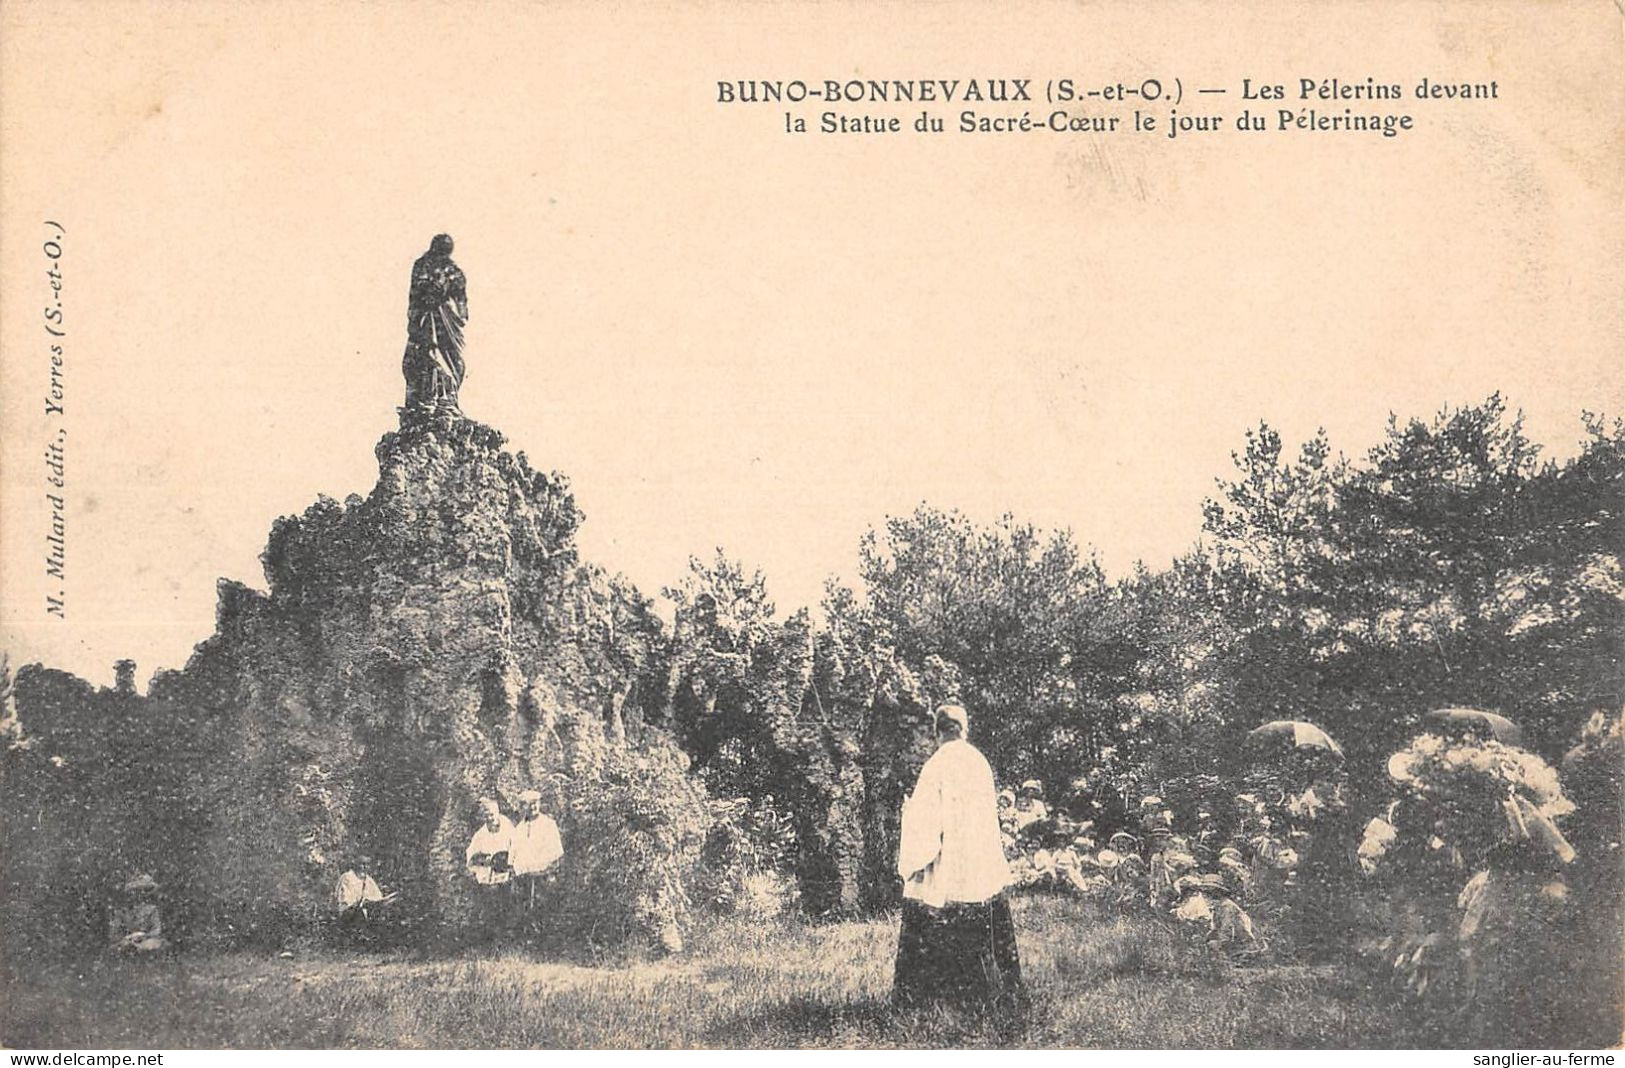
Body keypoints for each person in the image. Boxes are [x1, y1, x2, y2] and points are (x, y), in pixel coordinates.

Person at [893, 704, 1024, 1023]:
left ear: (937, 731)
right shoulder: (979, 761)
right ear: (964, 729)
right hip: (981, 868)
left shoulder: (936, 765)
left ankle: (930, 1002)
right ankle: (997, 996)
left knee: (930, 905)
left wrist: (907, 830)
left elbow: (925, 828)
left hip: (949, 868)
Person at [402, 233, 469, 408]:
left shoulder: (455, 272)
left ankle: (448, 394)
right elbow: (417, 291)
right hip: (428, 316)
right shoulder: (422, 266)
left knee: (450, 357)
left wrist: (459, 310)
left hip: (447, 320)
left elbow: (462, 302)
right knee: (428, 354)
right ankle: (430, 395)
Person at [509, 789, 564, 925]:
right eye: (528, 804)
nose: (533, 807)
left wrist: (547, 870)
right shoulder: (519, 828)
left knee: (544, 908)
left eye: (535, 803)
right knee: (522, 907)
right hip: (523, 875)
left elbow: (556, 851)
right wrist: (513, 869)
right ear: (523, 807)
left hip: (543, 874)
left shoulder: (548, 824)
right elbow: (513, 852)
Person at [334, 856, 398, 943]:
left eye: (367, 864)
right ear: (356, 865)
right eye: (362, 864)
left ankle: (382, 938)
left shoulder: (369, 880)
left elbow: (377, 896)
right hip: (349, 911)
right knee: (359, 913)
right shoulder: (347, 878)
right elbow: (346, 899)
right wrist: (361, 903)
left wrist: (381, 901)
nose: (365, 867)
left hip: (367, 909)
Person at [109, 873, 167, 954]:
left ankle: (140, 950)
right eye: (134, 892)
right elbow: (115, 933)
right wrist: (129, 937)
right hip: (127, 941)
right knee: (122, 946)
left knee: (154, 943)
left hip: (147, 940)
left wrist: (143, 935)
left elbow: (156, 930)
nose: (137, 895)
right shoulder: (122, 912)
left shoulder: (152, 910)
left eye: (140, 892)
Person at [466, 798, 515, 887]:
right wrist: (483, 860)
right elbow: (471, 857)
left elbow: (516, 847)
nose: (489, 818)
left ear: (497, 812)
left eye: (492, 815)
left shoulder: (508, 828)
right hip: (486, 880)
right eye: (486, 816)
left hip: (506, 879)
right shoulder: (480, 835)